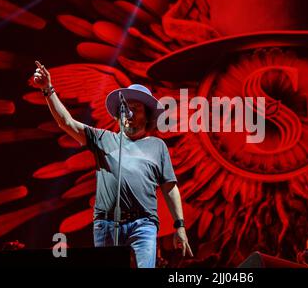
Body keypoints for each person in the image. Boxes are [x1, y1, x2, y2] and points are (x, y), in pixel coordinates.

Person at [31, 60, 193, 268]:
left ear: (147, 116)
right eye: (127, 109)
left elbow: (170, 187)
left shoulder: (157, 146)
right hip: (107, 224)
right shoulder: (103, 139)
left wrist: (179, 225)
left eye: (137, 109)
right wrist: (48, 90)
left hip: (144, 224)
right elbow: (66, 122)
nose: (130, 113)